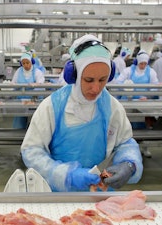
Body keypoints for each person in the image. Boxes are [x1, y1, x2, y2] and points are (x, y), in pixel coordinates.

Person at [20, 34, 143, 192]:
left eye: (102, 79)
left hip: (99, 192)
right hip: (59, 194)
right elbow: (31, 150)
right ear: (74, 75)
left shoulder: (112, 107)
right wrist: (67, 175)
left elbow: (125, 143)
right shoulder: (53, 106)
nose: (96, 88)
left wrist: (129, 163)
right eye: (89, 80)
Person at [11, 52, 45, 129]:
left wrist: (37, 85)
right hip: (21, 101)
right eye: (23, 63)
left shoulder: (37, 72)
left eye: (27, 63)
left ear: (31, 62)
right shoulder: (19, 71)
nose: (26, 65)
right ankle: (19, 136)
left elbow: (41, 84)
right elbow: (14, 83)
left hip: (34, 101)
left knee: (35, 122)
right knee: (19, 123)